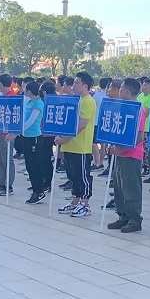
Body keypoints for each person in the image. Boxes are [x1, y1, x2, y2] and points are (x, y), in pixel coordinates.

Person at [106, 78, 147, 233]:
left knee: (131, 188)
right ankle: (122, 216)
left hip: (131, 155)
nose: (119, 91)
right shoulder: (122, 108)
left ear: (127, 91)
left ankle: (134, 220)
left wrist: (121, 150)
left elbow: (139, 137)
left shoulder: (138, 109)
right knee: (119, 188)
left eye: (121, 88)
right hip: (120, 154)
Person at [57, 72, 96, 217]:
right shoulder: (75, 100)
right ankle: (75, 201)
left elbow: (82, 124)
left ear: (85, 86)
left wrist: (65, 139)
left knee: (82, 176)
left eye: (76, 83)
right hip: (70, 146)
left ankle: (85, 204)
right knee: (73, 176)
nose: (73, 85)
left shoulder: (88, 101)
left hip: (81, 147)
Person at [15, 81, 45, 202]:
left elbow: (30, 122)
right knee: (29, 165)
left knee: (35, 164)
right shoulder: (28, 102)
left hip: (34, 137)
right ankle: (35, 189)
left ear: (30, 91)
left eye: (26, 89)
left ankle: (39, 191)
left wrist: (17, 130)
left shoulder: (38, 103)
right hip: (26, 136)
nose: (24, 91)